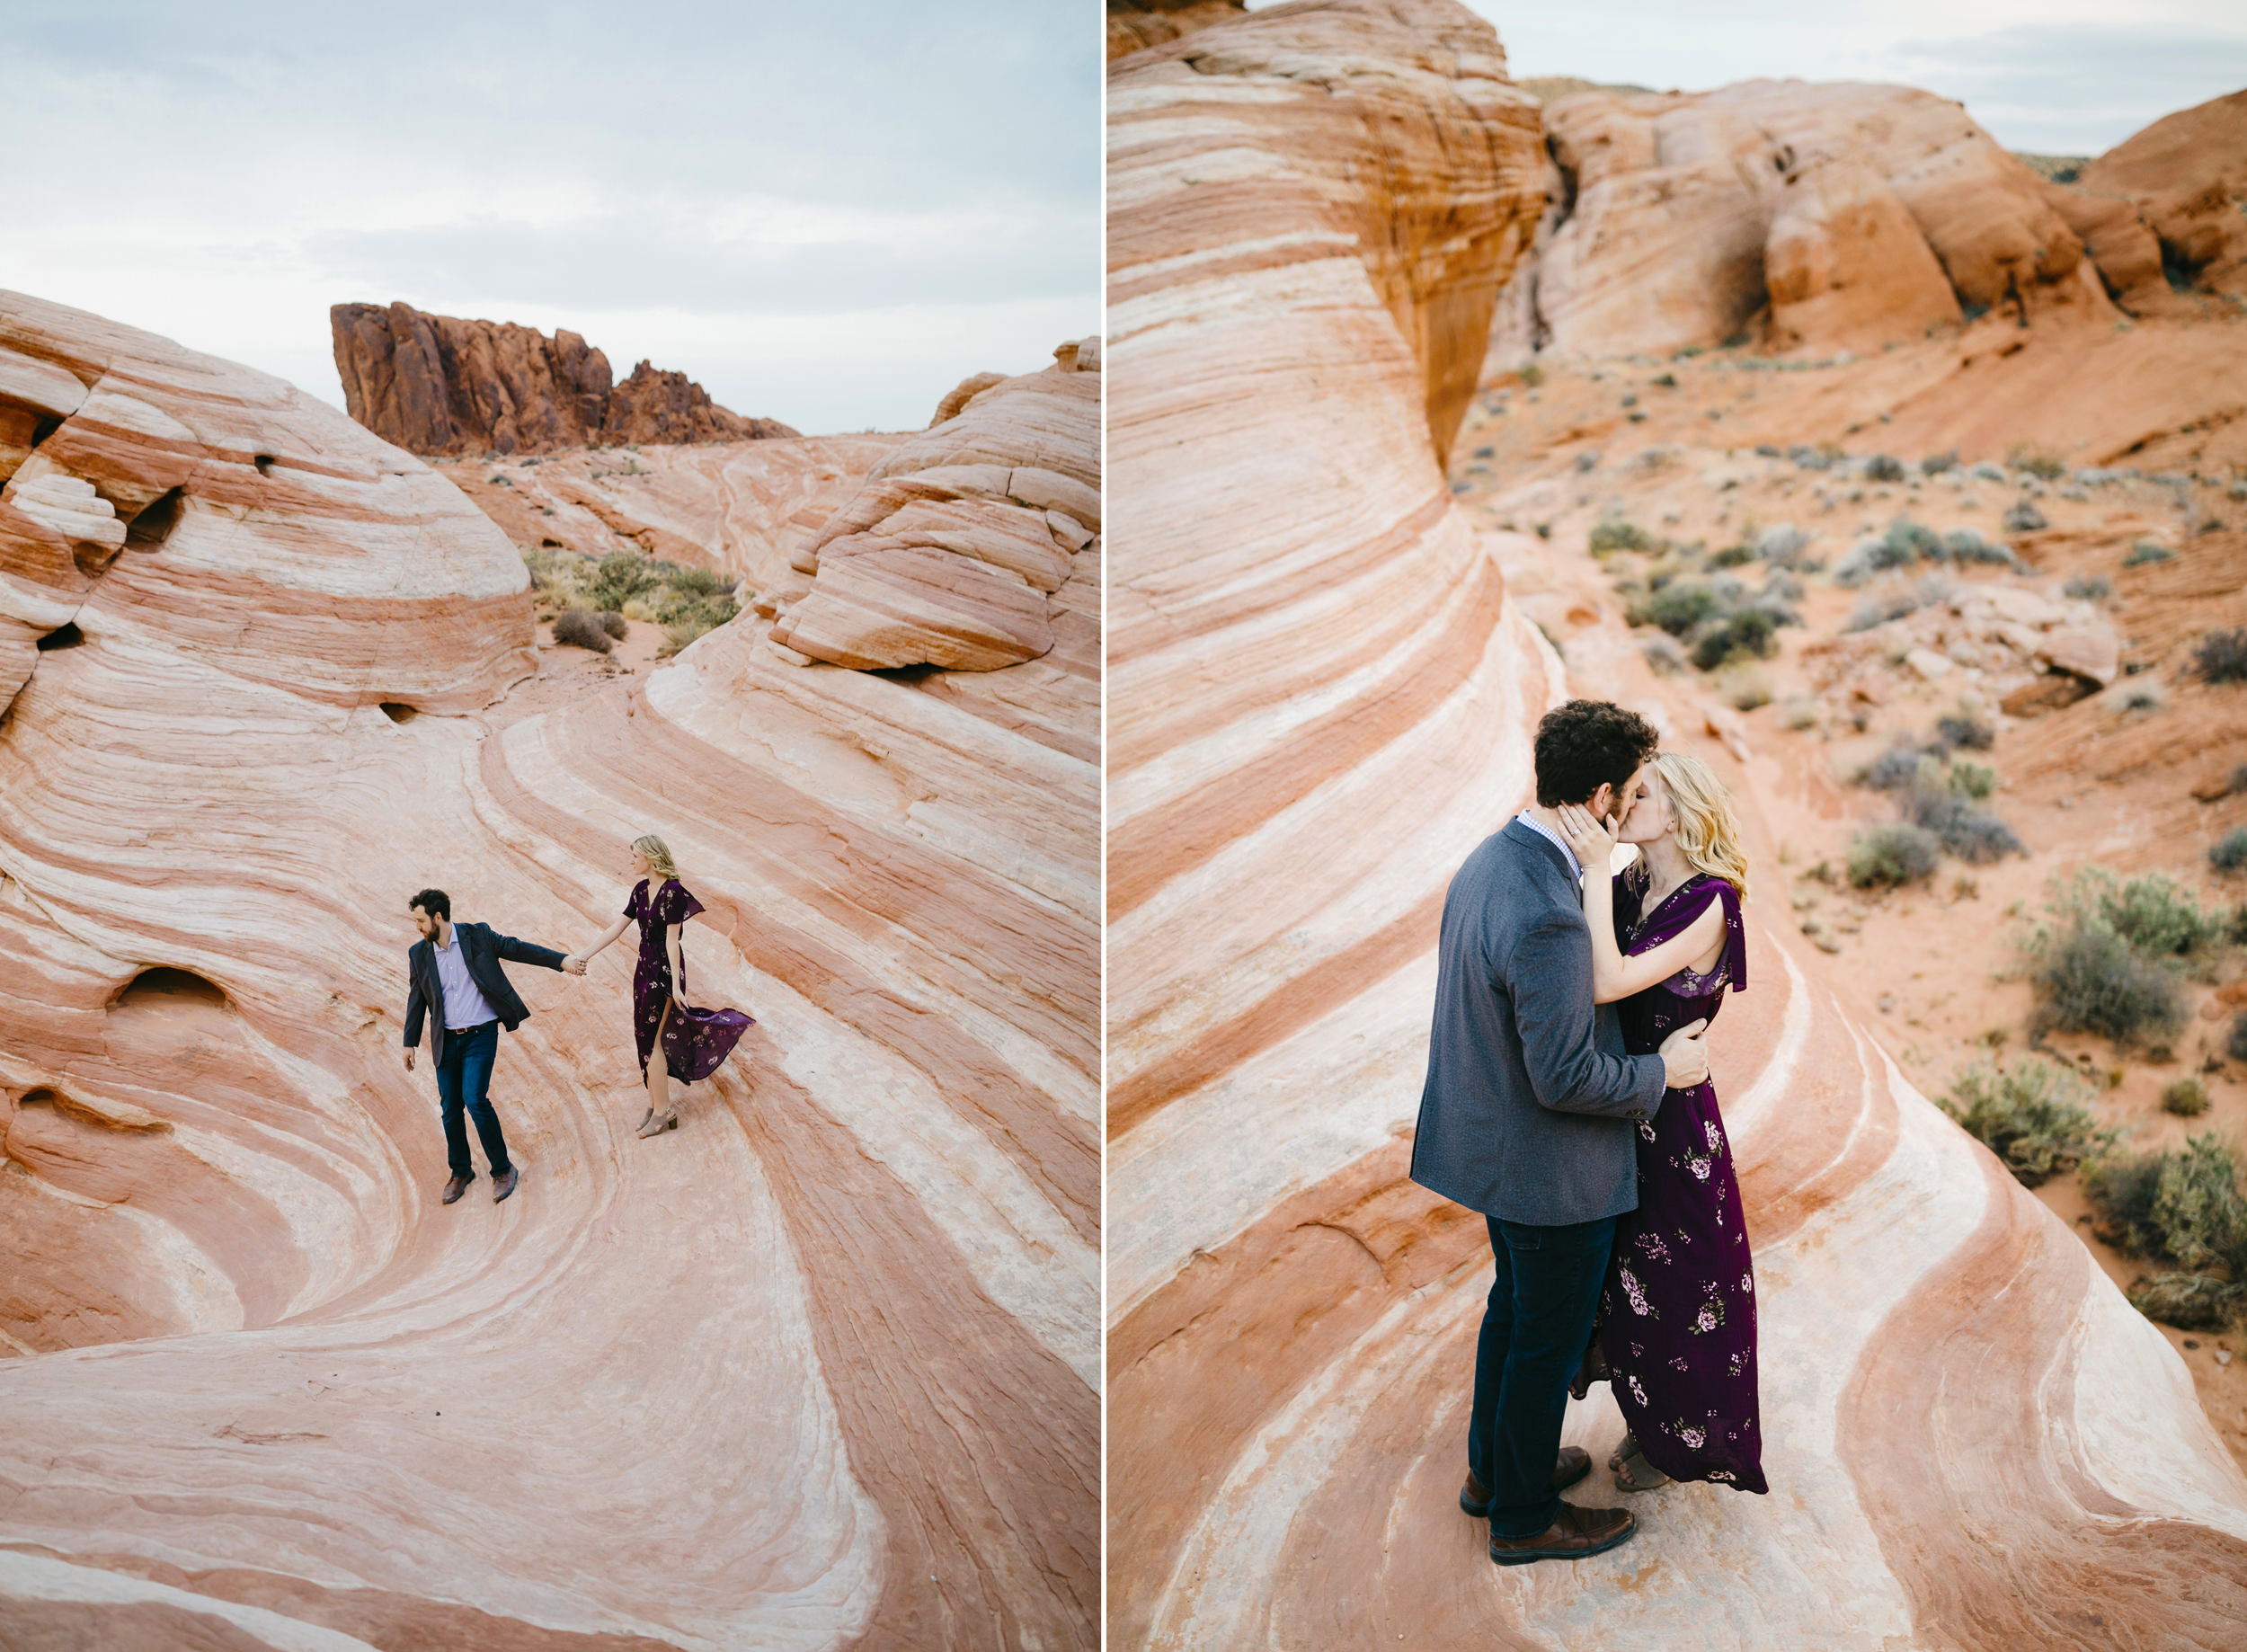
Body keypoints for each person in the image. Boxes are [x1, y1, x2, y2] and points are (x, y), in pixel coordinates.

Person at [1411, 700, 1710, 1567]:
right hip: (1547, 1173)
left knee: (1512, 1319)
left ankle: (1493, 1473)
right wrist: (1664, 1075)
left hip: (1495, 1152)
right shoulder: (1546, 911)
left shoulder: (1492, 858)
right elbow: (1567, 1077)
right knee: (1542, 1345)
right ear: (1605, 795)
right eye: (1633, 795)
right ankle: (1524, 1517)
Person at [1557, 750, 1767, 1497]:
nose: (1624, 803)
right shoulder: (1634, 882)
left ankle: (1679, 1443)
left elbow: (1609, 979)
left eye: (1640, 795)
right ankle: (1648, 1425)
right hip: (1619, 1101)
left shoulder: (1709, 901)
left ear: (1678, 811)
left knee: (1684, 1288)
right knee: (1620, 1282)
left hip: (1673, 1125)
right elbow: (1577, 964)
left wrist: (1589, 868)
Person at [403, 889, 585, 1205]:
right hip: (446, 1038)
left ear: (437, 917)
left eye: (420, 921)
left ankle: (503, 1169)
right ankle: (461, 1171)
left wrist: (562, 961)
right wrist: (409, 1042)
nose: (417, 927)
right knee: (450, 1109)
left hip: (480, 1035)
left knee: (474, 1098)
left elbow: (518, 949)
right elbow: (416, 999)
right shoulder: (419, 953)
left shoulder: (478, 936)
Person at [574, 834, 753, 1137]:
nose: (631, 861)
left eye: (635, 856)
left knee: (655, 1041)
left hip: (665, 970)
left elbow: (672, 942)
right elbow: (616, 928)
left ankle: (663, 1111)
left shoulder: (673, 892)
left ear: (650, 857)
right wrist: (583, 955)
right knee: (644, 1036)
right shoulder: (641, 890)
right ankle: (655, 1103)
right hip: (644, 966)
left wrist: (676, 986)